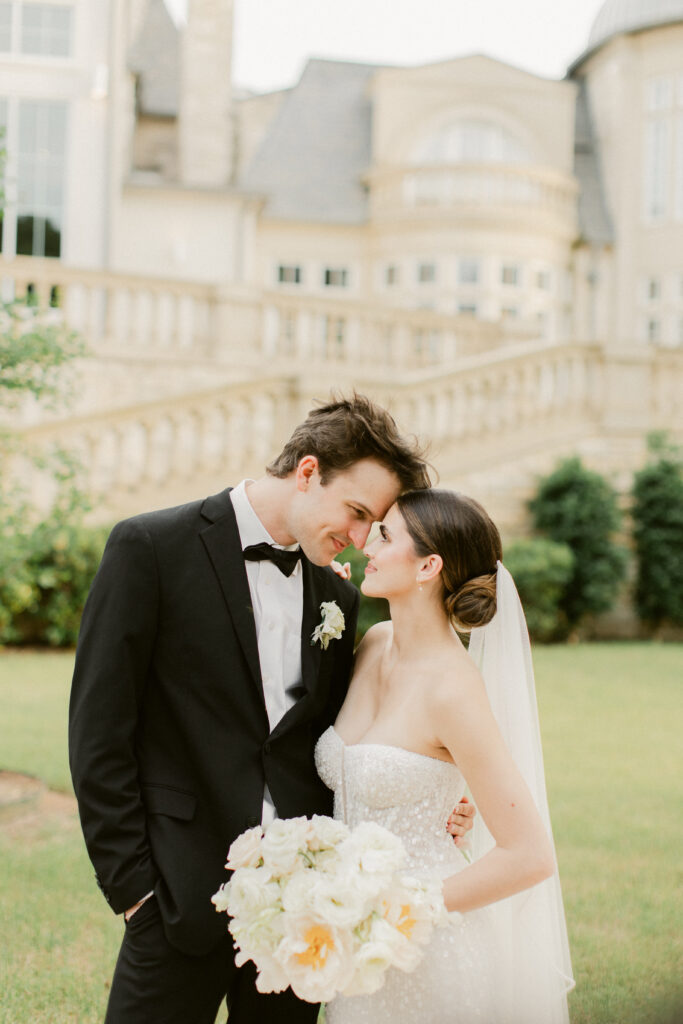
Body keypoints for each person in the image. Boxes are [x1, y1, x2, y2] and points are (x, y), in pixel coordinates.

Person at [68, 395, 474, 1024]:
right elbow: (98, 731)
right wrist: (135, 892)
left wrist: (445, 783)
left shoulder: (337, 587)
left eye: (374, 526)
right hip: (174, 897)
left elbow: (344, 733)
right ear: (308, 471)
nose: (362, 540)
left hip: (307, 916)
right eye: (358, 513)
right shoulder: (150, 546)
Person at [316, 488, 574, 1024]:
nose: (368, 543)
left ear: (428, 565)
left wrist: (401, 910)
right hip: (353, 946)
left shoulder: (454, 690)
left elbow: (529, 854)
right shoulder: (374, 643)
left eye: (385, 536)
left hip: (426, 953)